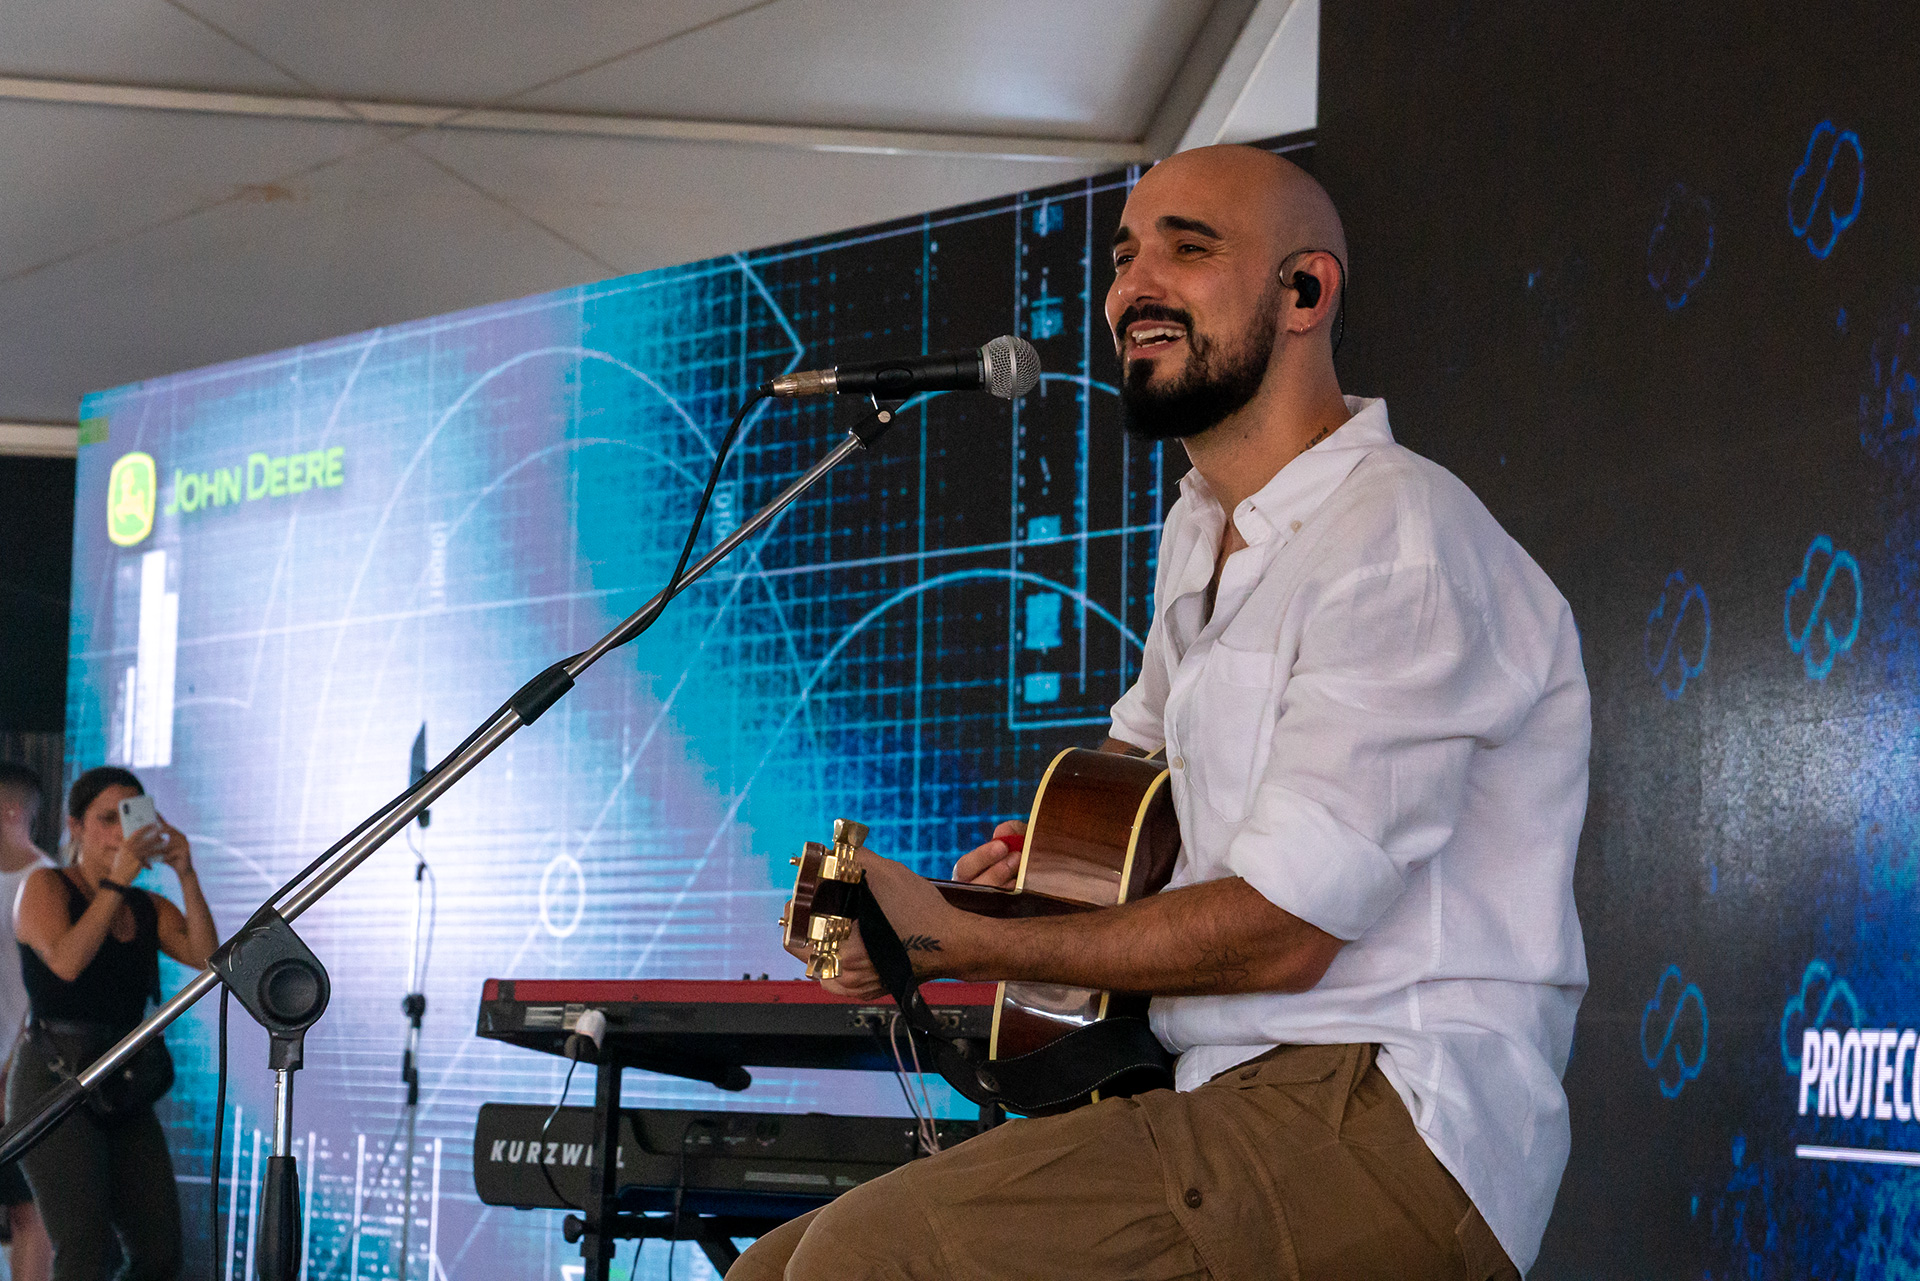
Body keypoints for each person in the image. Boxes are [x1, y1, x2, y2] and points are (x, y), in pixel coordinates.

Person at [731, 145, 1589, 1280]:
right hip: (1225, 1095)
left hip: (1382, 1110)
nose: (1133, 286)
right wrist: (941, 905)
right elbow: (1126, 808)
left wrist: (962, 942)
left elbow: (1284, 930)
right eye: (1126, 255)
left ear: (1305, 292)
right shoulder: (1202, 526)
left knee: (859, 1265)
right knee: (773, 1267)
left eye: (1190, 249)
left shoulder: (1398, 542)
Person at [10, 767, 218, 1280]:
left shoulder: (147, 907)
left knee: (159, 1251)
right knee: (84, 1251)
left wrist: (186, 873)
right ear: (75, 827)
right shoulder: (44, 885)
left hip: (121, 1081)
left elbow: (208, 956)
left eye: (132, 818)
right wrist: (116, 880)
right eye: (107, 819)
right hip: (54, 1084)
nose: (122, 833)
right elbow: (66, 962)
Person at [0, 765, 53, 1281]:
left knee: (28, 1210)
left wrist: (13, 1072)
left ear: (12, 810)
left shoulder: (46, 884)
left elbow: (49, 994)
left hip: (22, 1075)